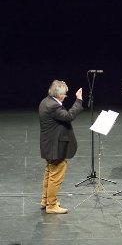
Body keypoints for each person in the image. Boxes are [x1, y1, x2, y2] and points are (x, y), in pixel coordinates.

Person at [39, 80, 83, 214]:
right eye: (64, 94)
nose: (65, 96)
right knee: (55, 175)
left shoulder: (45, 101)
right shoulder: (54, 106)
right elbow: (69, 116)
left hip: (49, 145)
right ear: (58, 95)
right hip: (55, 147)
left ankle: (46, 200)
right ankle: (51, 206)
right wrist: (79, 100)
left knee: (49, 172)